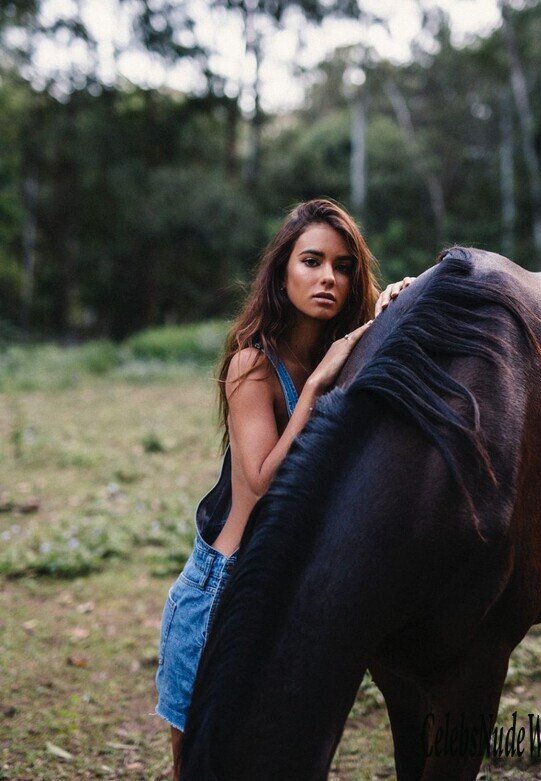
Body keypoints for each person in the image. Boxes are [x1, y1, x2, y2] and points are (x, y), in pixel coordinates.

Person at [154, 198, 413, 779]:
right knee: (202, 765)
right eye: (312, 261)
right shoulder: (253, 366)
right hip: (222, 591)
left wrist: (398, 300)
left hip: (292, 589)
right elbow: (264, 479)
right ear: (282, 273)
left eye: (343, 266)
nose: (328, 277)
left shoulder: (339, 354)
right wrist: (321, 382)